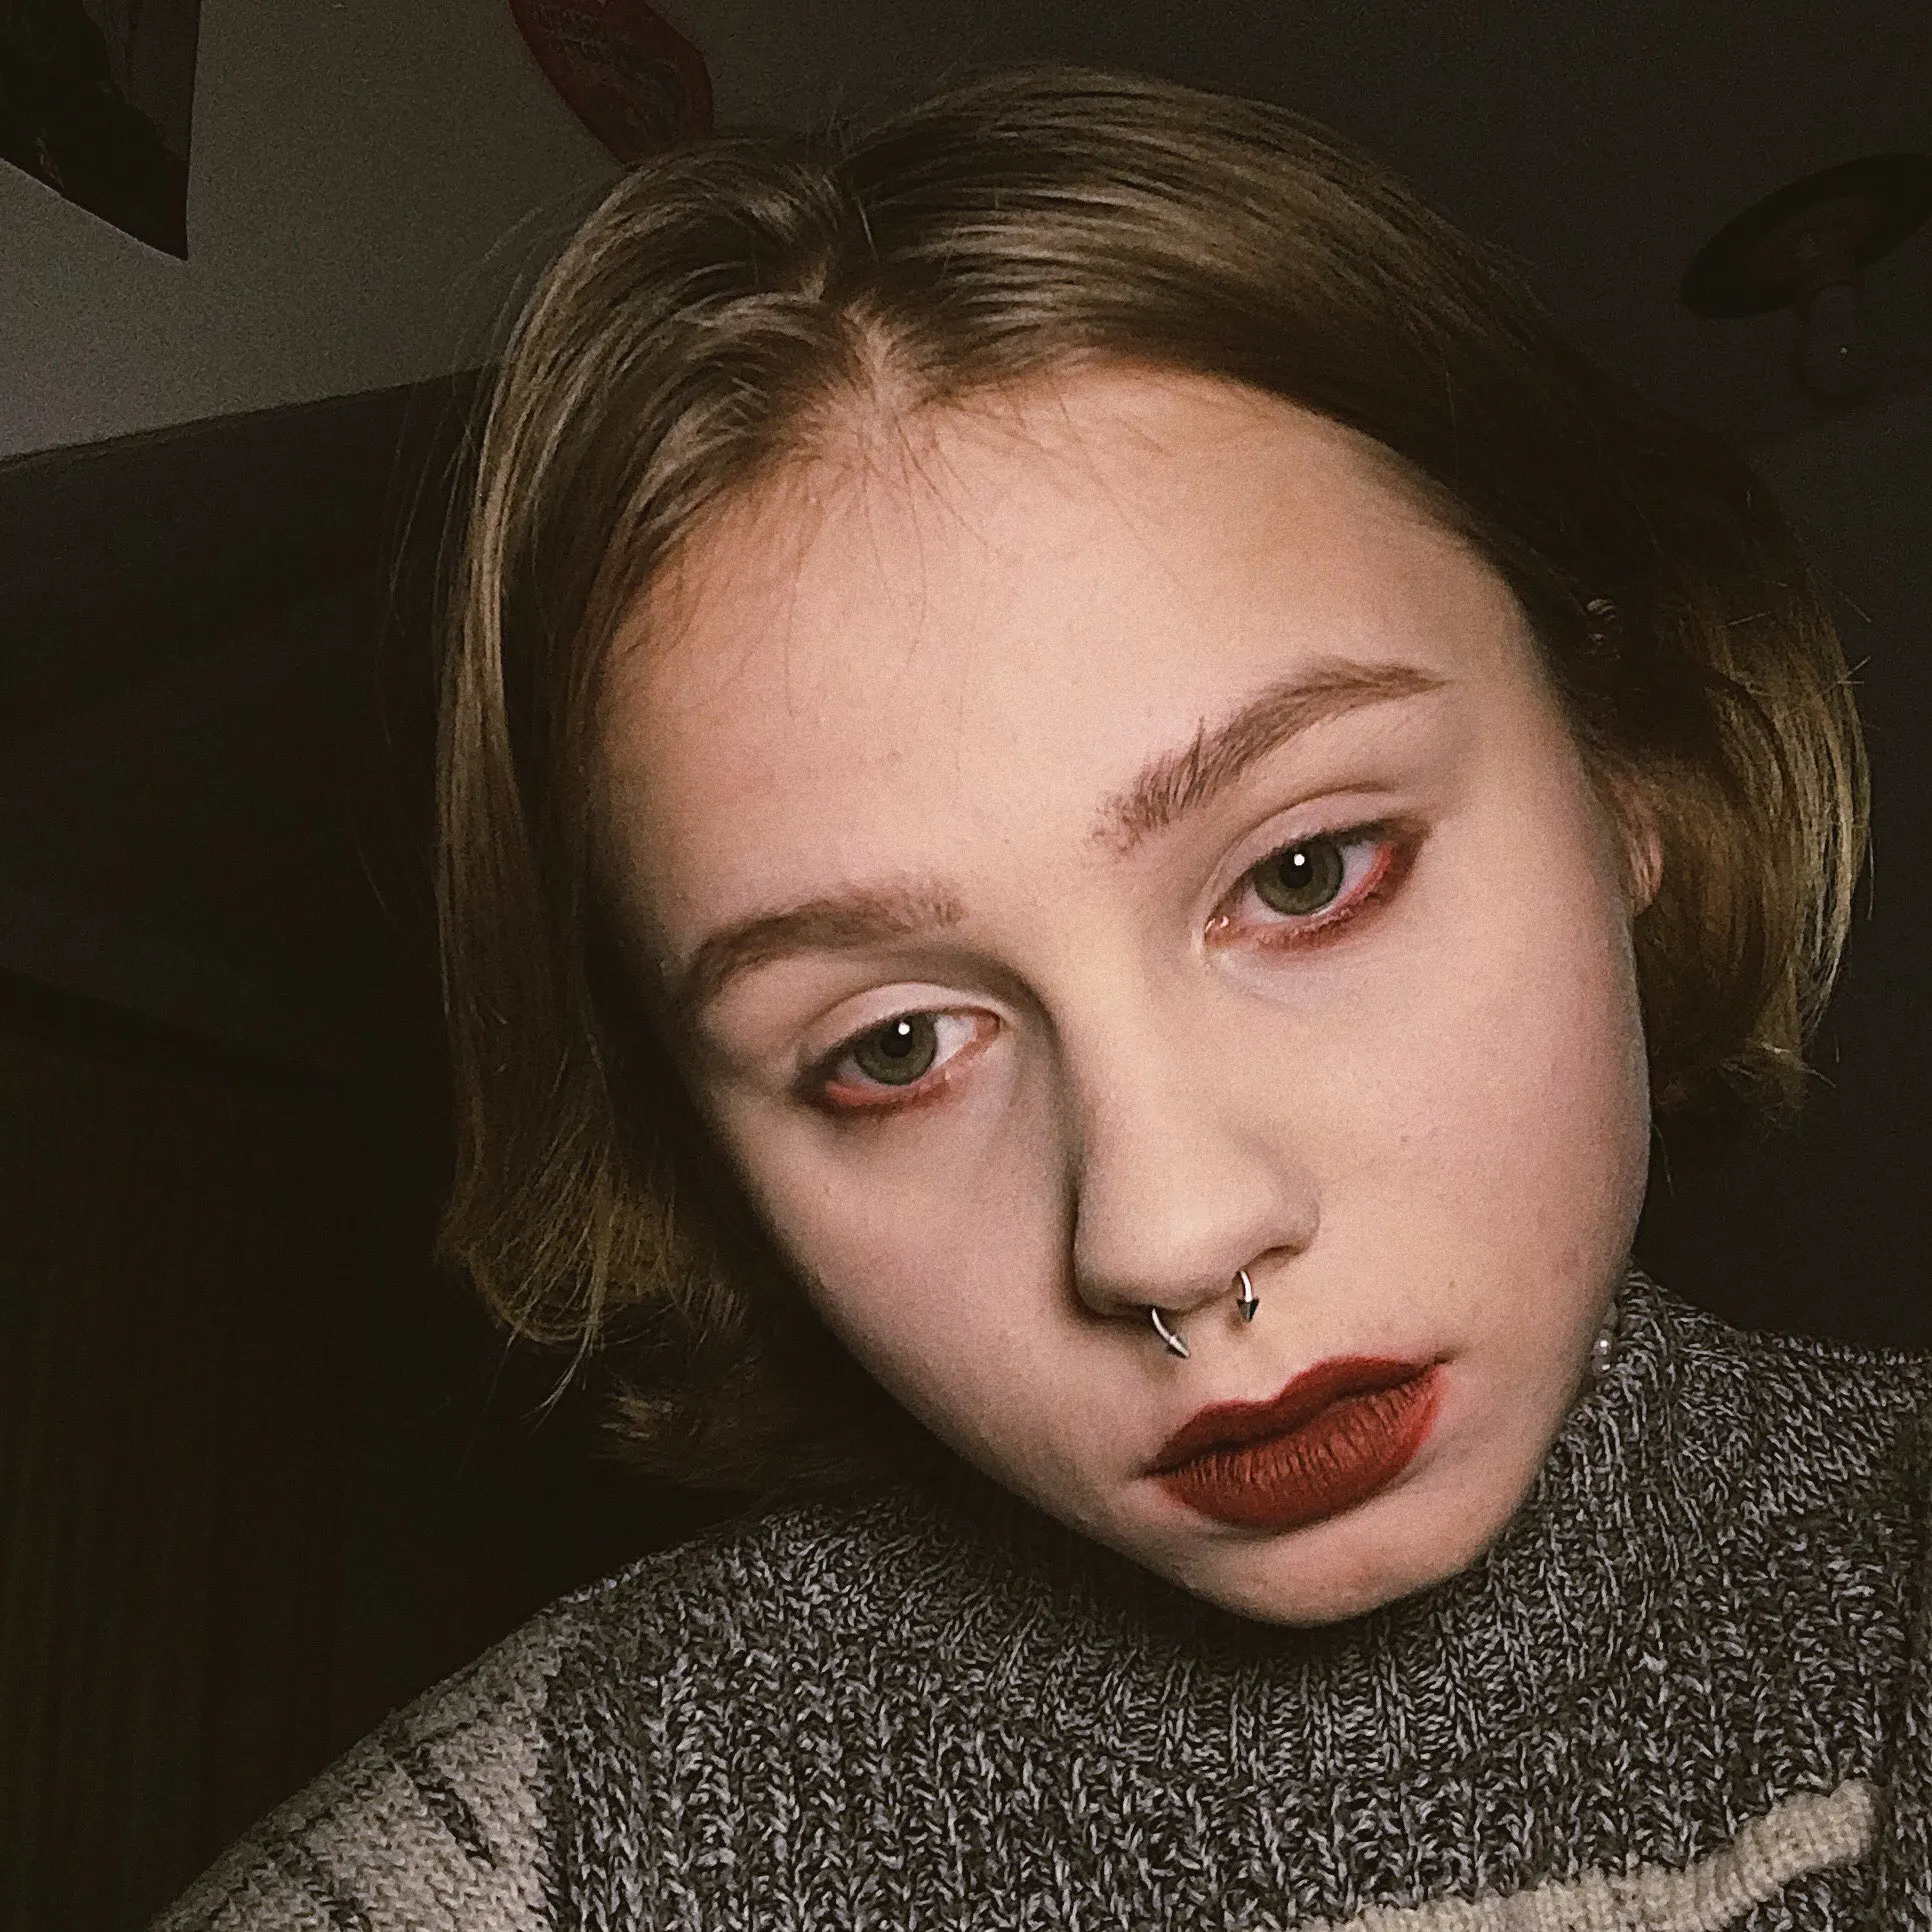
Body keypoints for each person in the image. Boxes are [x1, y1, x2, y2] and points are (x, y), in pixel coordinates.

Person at [154, 65, 1931, 1930]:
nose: (1169, 1236)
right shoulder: (524, 1868)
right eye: (894, 1046)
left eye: (1305, 872)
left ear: (1625, 770)